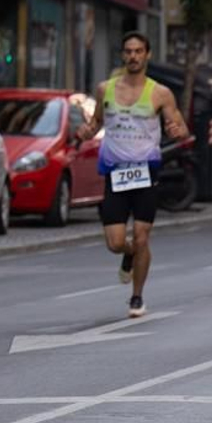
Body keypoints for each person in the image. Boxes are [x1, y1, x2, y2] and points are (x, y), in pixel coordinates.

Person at [75, 31, 189, 318]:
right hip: (115, 173)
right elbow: (96, 122)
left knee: (141, 237)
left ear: (147, 55)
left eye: (139, 51)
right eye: (128, 51)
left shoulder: (160, 93)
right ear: (122, 55)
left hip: (145, 172)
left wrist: (177, 129)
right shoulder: (105, 89)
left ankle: (137, 297)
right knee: (115, 242)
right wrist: (86, 131)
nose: (133, 56)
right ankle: (127, 255)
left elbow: (181, 127)